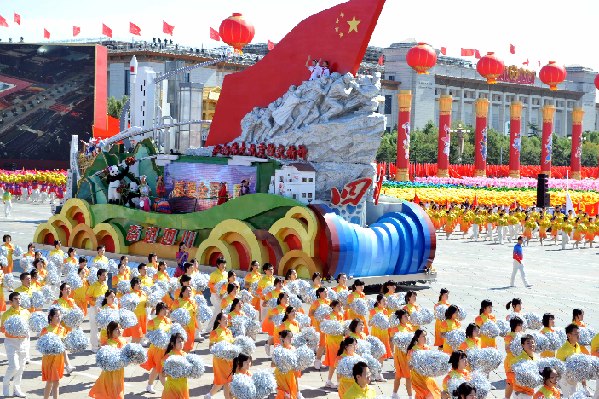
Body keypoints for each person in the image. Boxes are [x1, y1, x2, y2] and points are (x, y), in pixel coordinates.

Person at [1, 292, 30, 398]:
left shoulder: (26, 312)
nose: (18, 301)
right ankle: (5, 385)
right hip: (11, 343)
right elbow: (2, 329)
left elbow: (28, 327)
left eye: (19, 299)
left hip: (23, 343)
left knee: (21, 367)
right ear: (11, 301)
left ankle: (16, 389)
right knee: (14, 366)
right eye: (16, 299)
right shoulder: (7, 314)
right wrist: (13, 330)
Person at [89, 321, 126, 399]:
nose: (119, 331)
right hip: (109, 374)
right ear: (110, 331)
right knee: (112, 394)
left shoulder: (123, 341)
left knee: (117, 393)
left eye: (120, 328)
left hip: (119, 373)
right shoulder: (107, 344)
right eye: (116, 329)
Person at [142, 302, 172, 393]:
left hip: (166, 349)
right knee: (161, 370)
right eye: (163, 309)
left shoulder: (168, 320)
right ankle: (169, 391)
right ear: (158, 310)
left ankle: (149, 385)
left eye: (166, 309)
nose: (165, 311)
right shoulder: (152, 321)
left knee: (156, 368)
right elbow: (149, 335)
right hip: (157, 349)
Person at [41, 308, 68, 399]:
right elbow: (42, 346)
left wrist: (67, 363)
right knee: (53, 381)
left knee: (53, 381)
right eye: (56, 315)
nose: (59, 317)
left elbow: (64, 346)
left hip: (59, 359)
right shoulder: (46, 329)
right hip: (49, 359)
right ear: (51, 317)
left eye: (60, 315)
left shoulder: (63, 329)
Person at [206, 313, 234, 399]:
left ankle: (208, 396)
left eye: (227, 319)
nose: (226, 321)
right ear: (219, 321)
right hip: (220, 360)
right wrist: (218, 350)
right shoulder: (215, 332)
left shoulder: (229, 331)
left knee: (226, 381)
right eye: (224, 319)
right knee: (226, 381)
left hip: (229, 360)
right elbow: (211, 346)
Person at [407, 329, 441, 399]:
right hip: (418, 376)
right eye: (423, 336)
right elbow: (409, 366)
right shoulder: (413, 350)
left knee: (433, 392)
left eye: (426, 336)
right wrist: (418, 364)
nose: (425, 338)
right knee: (424, 393)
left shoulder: (427, 347)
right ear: (418, 338)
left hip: (427, 375)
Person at [392, 309, 415, 399]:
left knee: (407, 375)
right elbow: (394, 340)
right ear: (400, 318)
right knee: (402, 375)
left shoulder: (409, 326)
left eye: (408, 316)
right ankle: (409, 396)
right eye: (405, 316)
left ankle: (395, 393)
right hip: (400, 354)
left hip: (408, 353)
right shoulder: (396, 328)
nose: (407, 317)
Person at [556, 324, 584, 396]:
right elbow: (558, 367)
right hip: (565, 380)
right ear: (569, 335)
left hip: (574, 378)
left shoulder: (577, 345)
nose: (578, 335)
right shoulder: (562, 349)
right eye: (576, 334)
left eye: (578, 333)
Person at [86, 268, 109, 352]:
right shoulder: (93, 286)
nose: (105, 277)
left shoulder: (106, 285)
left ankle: (103, 344)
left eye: (106, 275)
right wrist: (96, 300)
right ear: (99, 276)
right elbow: (87, 297)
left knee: (104, 327)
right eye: (103, 275)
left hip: (103, 308)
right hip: (94, 308)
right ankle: (95, 346)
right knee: (94, 327)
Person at [324, 300, 345, 388]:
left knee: (338, 362)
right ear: (333, 307)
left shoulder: (340, 315)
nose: (340, 308)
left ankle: (330, 381)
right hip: (332, 342)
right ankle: (337, 383)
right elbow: (327, 329)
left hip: (340, 341)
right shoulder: (329, 316)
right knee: (334, 362)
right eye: (338, 306)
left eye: (340, 306)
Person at [161, 333, 189, 399]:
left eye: (182, 341)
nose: (181, 343)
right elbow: (163, 374)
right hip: (172, 387)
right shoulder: (168, 356)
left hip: (183, 386)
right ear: (172, 344)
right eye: (179, 342)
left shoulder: (185, 354)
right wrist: (173, 372)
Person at [275, 330, 301, 399]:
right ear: (283, 339)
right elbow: (273, 364)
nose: (291, 339)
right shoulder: (279, 350)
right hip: (281, 376)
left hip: (291, 376)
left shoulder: (293, 348)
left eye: (292, 337)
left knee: (291, 395)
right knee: (285, 395)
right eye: (288, 337)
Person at [509, 334, 536, 399]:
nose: (531, 345)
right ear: (522, 345)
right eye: (528, 343)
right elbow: (511, 375)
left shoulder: (535, 358)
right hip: (520, 393)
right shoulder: (518, 360)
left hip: (530, 391)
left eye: (532, 342)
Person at [173, 286, 198, 351]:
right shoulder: (177, 301)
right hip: (183, 326)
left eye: (190, 291)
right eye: (187, 291)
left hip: (192, 325)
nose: (189, 292)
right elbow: (173, 313)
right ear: (183, 292)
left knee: (190, 343)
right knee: (184, 342)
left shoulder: (193, 300)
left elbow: (195, 311)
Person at [206, 257, 228, 332]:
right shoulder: (214, 274)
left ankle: (221, 327)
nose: (223, 265)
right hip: (215, 295)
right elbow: (210, 284)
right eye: (222, 264)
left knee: (223, 312)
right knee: (218, 311)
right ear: (218, 265)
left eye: (224, 264)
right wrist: (218, 292)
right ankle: (209, 329)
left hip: (224, 296)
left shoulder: (226, 274)